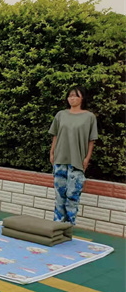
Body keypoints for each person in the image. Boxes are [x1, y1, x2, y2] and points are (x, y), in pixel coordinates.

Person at [49, 86, 98, 225]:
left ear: (82, 98)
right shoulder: (60, 115)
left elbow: (91, 140)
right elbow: (55, 135)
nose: (72, 98)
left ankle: (68, 226)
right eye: (70, 96)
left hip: (77, 161)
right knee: (59, 195)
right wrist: (52, 153)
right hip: (60, 159)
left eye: (76, 95)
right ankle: (57, 225)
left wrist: (87, 158)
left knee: (72, 195)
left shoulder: (89, 117)